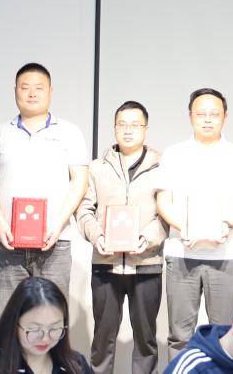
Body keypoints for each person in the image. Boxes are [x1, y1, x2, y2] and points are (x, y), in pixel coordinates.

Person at [154, 88, 233, 358]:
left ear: (225, 117)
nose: (207, 119)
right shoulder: (174, 154)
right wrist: (182, 227)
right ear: (190, 116)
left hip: (225, 256)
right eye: (200, 113)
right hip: (182, 254)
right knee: (179, 336)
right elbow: (163, 200)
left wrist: (228, 225)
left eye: (214, 114)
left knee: (225, 335)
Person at [0, 62, 90, 310]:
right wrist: (1, 223)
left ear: (50, 92)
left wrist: (58, 224)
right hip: (9, 243)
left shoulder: (70, 132)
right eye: (25, 87)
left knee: (53, 319)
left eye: (39, 88)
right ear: (15, 91)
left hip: (56, 242)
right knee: (9, 321)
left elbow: (80, 181)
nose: (31, 93)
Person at [76, 100, 168, 374]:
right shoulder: (96, 167)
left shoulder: (162, 166)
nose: (128, 130)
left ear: (146, 129)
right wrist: (97, 237)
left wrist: (147, 238)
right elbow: (84, 210)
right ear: (114, 128)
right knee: (102, 340)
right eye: (122, 124)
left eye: (135, 125)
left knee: (146, 340)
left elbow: (166, 214)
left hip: (147, 263)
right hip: (106, 263)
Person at [0, 276, 93, 374]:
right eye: (35, 329)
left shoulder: (76, 365)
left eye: (54, 328)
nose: (45, 338)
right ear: (14, 324)